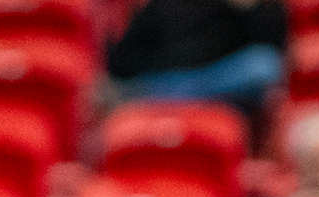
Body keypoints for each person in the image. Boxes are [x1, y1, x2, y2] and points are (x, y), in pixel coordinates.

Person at [107, 0, 288, 127]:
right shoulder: (162, 6)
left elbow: (273, 45)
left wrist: (251, 8)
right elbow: (121, 62)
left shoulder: (242, 7)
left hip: (220, 85)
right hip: (166, 85)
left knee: (263, 65)